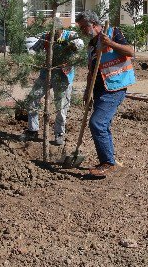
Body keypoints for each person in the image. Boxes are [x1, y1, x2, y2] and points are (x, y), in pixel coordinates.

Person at [75, 11, 135, 178]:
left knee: (97, 123)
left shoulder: (113, 33)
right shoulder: (92, 46)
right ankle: (110, 160)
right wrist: (87, 91)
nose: (82, 32)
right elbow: (91, 71)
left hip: (116, 86)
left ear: (93, 25)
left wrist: (111, 43)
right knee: (103, 124)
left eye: (83, 28)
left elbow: (131, 52)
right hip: (100, 89)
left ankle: (107, 163)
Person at [21, 18, 84, 146]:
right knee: (33, 98)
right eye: (51, 32)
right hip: (46, 73)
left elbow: (80, 44)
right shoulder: (45, 36)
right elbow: (34, 50)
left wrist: (69, 44)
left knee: (61, 107)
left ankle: (59, 133)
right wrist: (25, 57)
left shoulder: (70, 35)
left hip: (63, 75)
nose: (53, 34)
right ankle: (33, 130)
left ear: (61, 29)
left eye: (55, 32)